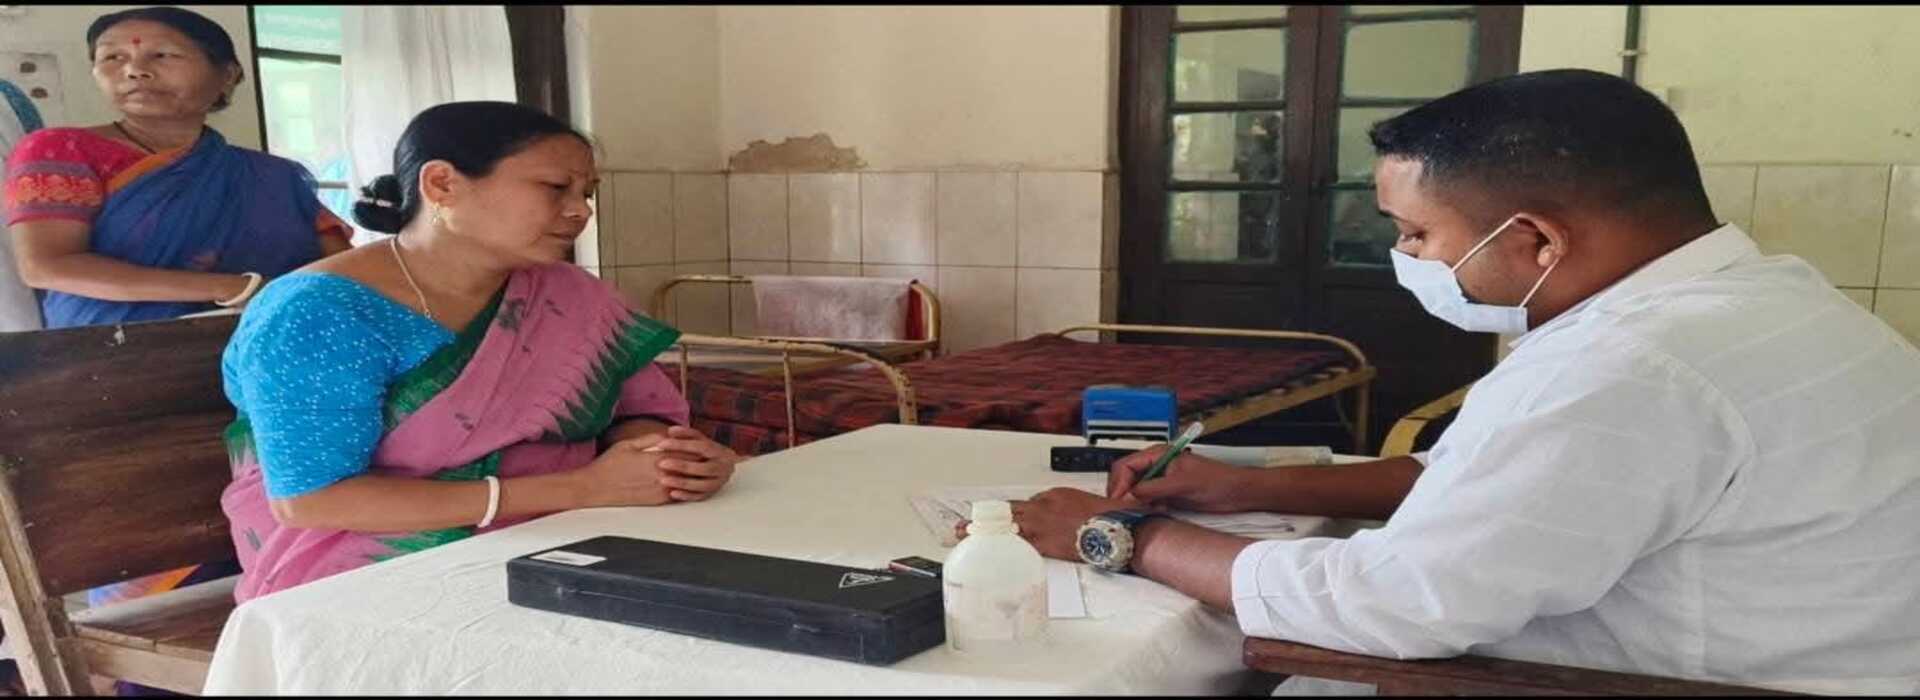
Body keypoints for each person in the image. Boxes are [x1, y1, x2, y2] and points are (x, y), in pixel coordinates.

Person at [985, 69, 1920, 695]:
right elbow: (1486, 478)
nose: (1407, 257)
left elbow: (1396, 604)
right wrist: (1238, 487)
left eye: (1418, 233)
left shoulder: (1628, 369)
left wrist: (1123, 535)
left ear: (1537, 239)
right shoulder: (1761, 301)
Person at [219, 100, 742, 603]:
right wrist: (582, 488)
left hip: (568, 537)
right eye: (555, 187)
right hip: (367, 570)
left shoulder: (569, 293)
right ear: (442, 184)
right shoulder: (318, 312)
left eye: (587, 192)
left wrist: (667, 461)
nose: (580, 211)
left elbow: (637, 410)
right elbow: (313, 500)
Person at [3, 6, 351, 331]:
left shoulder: (277, 175)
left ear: (227, 75)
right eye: (112, 57)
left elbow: (341, 272)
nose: (134, 70)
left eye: (162, 55)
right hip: (112, 354)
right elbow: (48, 266)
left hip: (276, 343)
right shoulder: (62, 150)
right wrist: (237, 288)